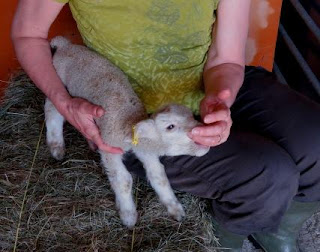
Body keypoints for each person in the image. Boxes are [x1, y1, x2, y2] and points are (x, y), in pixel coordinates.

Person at [11, 0, 320, 251]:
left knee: (314, 141)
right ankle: (228, 236)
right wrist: (64, 101)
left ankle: (277, 231)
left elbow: (225, 58)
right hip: (134, 114)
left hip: (209, 79)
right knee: (268, 175)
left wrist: (220, 99)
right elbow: (28, 33)